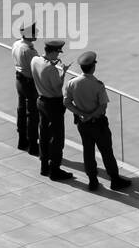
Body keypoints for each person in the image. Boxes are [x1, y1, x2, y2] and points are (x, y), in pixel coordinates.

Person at [63, 50, 131, 192]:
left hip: (82, 124)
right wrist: (91, 115)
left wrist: (82, 114)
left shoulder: (71, 83)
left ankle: (92, 181)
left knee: (88, 152)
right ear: (93, 67)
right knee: (106, 152)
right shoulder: (97, 85)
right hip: (98, 124)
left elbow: (67, 103)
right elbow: (102, 106)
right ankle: (114, 180)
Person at [31, 39, 74, 182]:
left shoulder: (35, 60)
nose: (58, 55)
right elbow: (57, 87)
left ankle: (44, 167)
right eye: (58, 52)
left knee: (43, 134)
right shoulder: (51, 69)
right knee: (57, 138)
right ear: (54, 52)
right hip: (53, 104)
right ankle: (55, 170)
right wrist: (63, 72)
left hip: (41, 100)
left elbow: (42, 71)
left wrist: (53, 65)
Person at [11, 23, 40, 154]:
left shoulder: (16, 44)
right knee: (32, 114)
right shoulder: (30, 50)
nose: (37, 34)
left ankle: (22, 141)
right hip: (29, 83)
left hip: (19, 80)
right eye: (35, 33)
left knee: (21, 110)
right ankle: (33, 145)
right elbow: (37, 68)